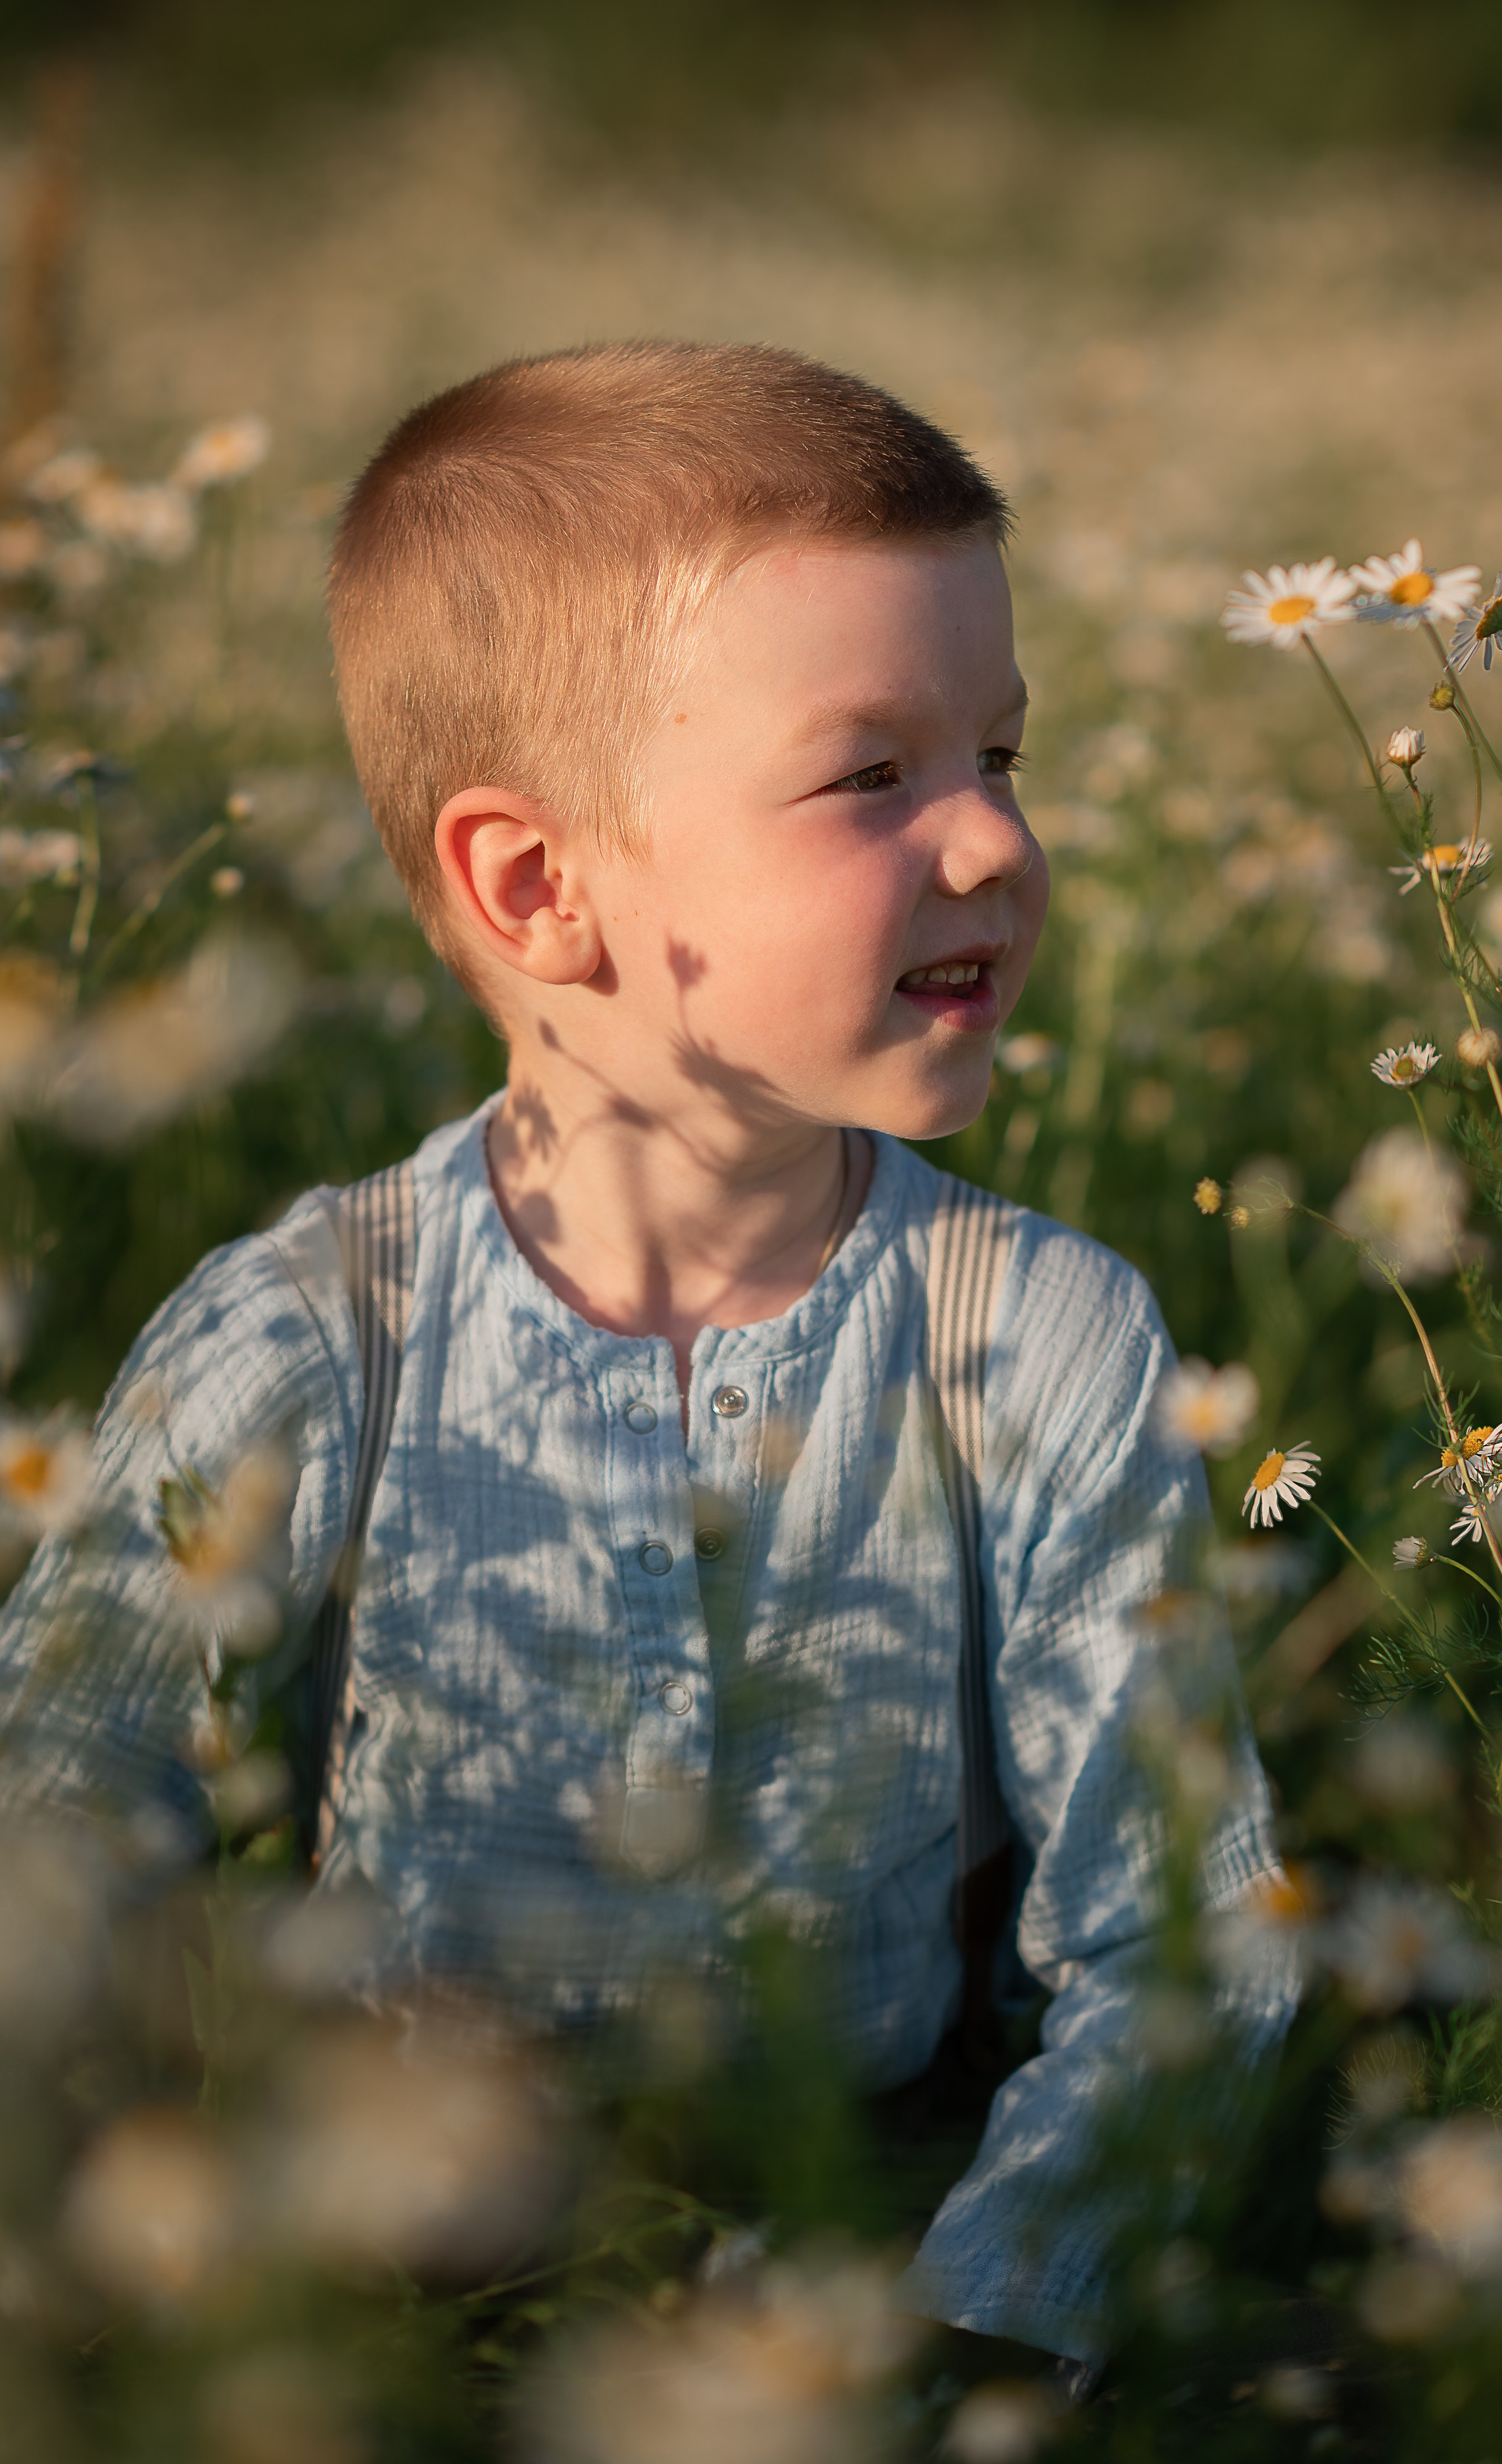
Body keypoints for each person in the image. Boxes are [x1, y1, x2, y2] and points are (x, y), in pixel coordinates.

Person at [0, 342, 1292, 2372]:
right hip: (372, 2303)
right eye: (875, 776)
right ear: (540, 888)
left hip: (875, 2250)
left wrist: (1000, 2313)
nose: (990, 850)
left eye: (1002, 758)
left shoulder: (1030, 1333)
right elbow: (50, 1856)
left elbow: (1185, 1935)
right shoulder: (321, 1334)